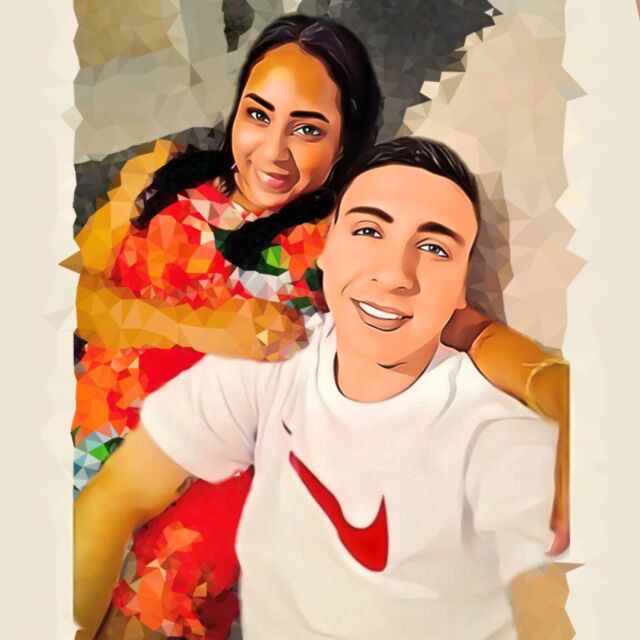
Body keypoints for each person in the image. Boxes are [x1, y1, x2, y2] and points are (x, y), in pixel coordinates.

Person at [72, 13, 568, 640]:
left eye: (307, 129)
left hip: (219, 469)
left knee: (159, 594)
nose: (273, 152)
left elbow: (461, 325)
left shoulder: (344, 235)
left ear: (343, 143)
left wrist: (563, 394)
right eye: (258, 115)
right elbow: (68, 296)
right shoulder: (159, 172)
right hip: (97, 419)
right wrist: (199, 327)